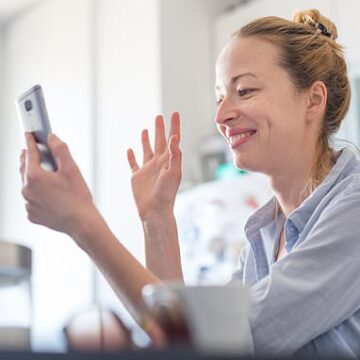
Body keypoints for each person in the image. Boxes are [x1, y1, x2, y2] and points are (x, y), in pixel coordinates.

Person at [19, 8, 360, 357]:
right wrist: (157, 218)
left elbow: (230, 341)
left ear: (314, 100)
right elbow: (189, 345)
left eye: (244, 90)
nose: (221, 115)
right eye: (219, 97)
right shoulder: (265, 234)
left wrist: (84, 224)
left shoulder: (353, 211)